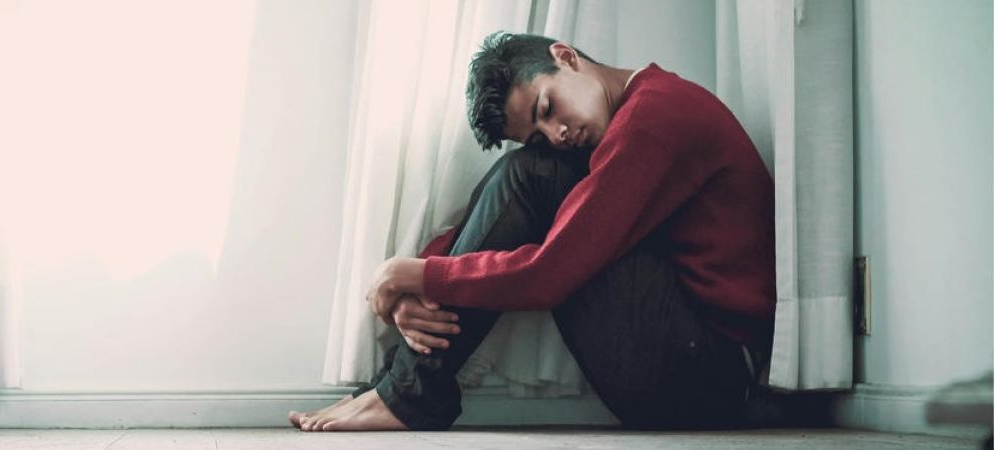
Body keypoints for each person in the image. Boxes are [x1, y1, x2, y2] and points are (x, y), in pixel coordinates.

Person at [289, 31, 776, 432]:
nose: (558, 134)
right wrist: (412, 280)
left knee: (531, 175)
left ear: (565, 57)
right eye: (541, 131)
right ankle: (402, 388)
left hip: (710, 377)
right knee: (528, 169)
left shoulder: (655, 118)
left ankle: (407, 394)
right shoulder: (629, 120)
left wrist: (416, 276)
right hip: (687, 357)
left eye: (547, 107)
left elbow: (550, 273)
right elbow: (508, 217)